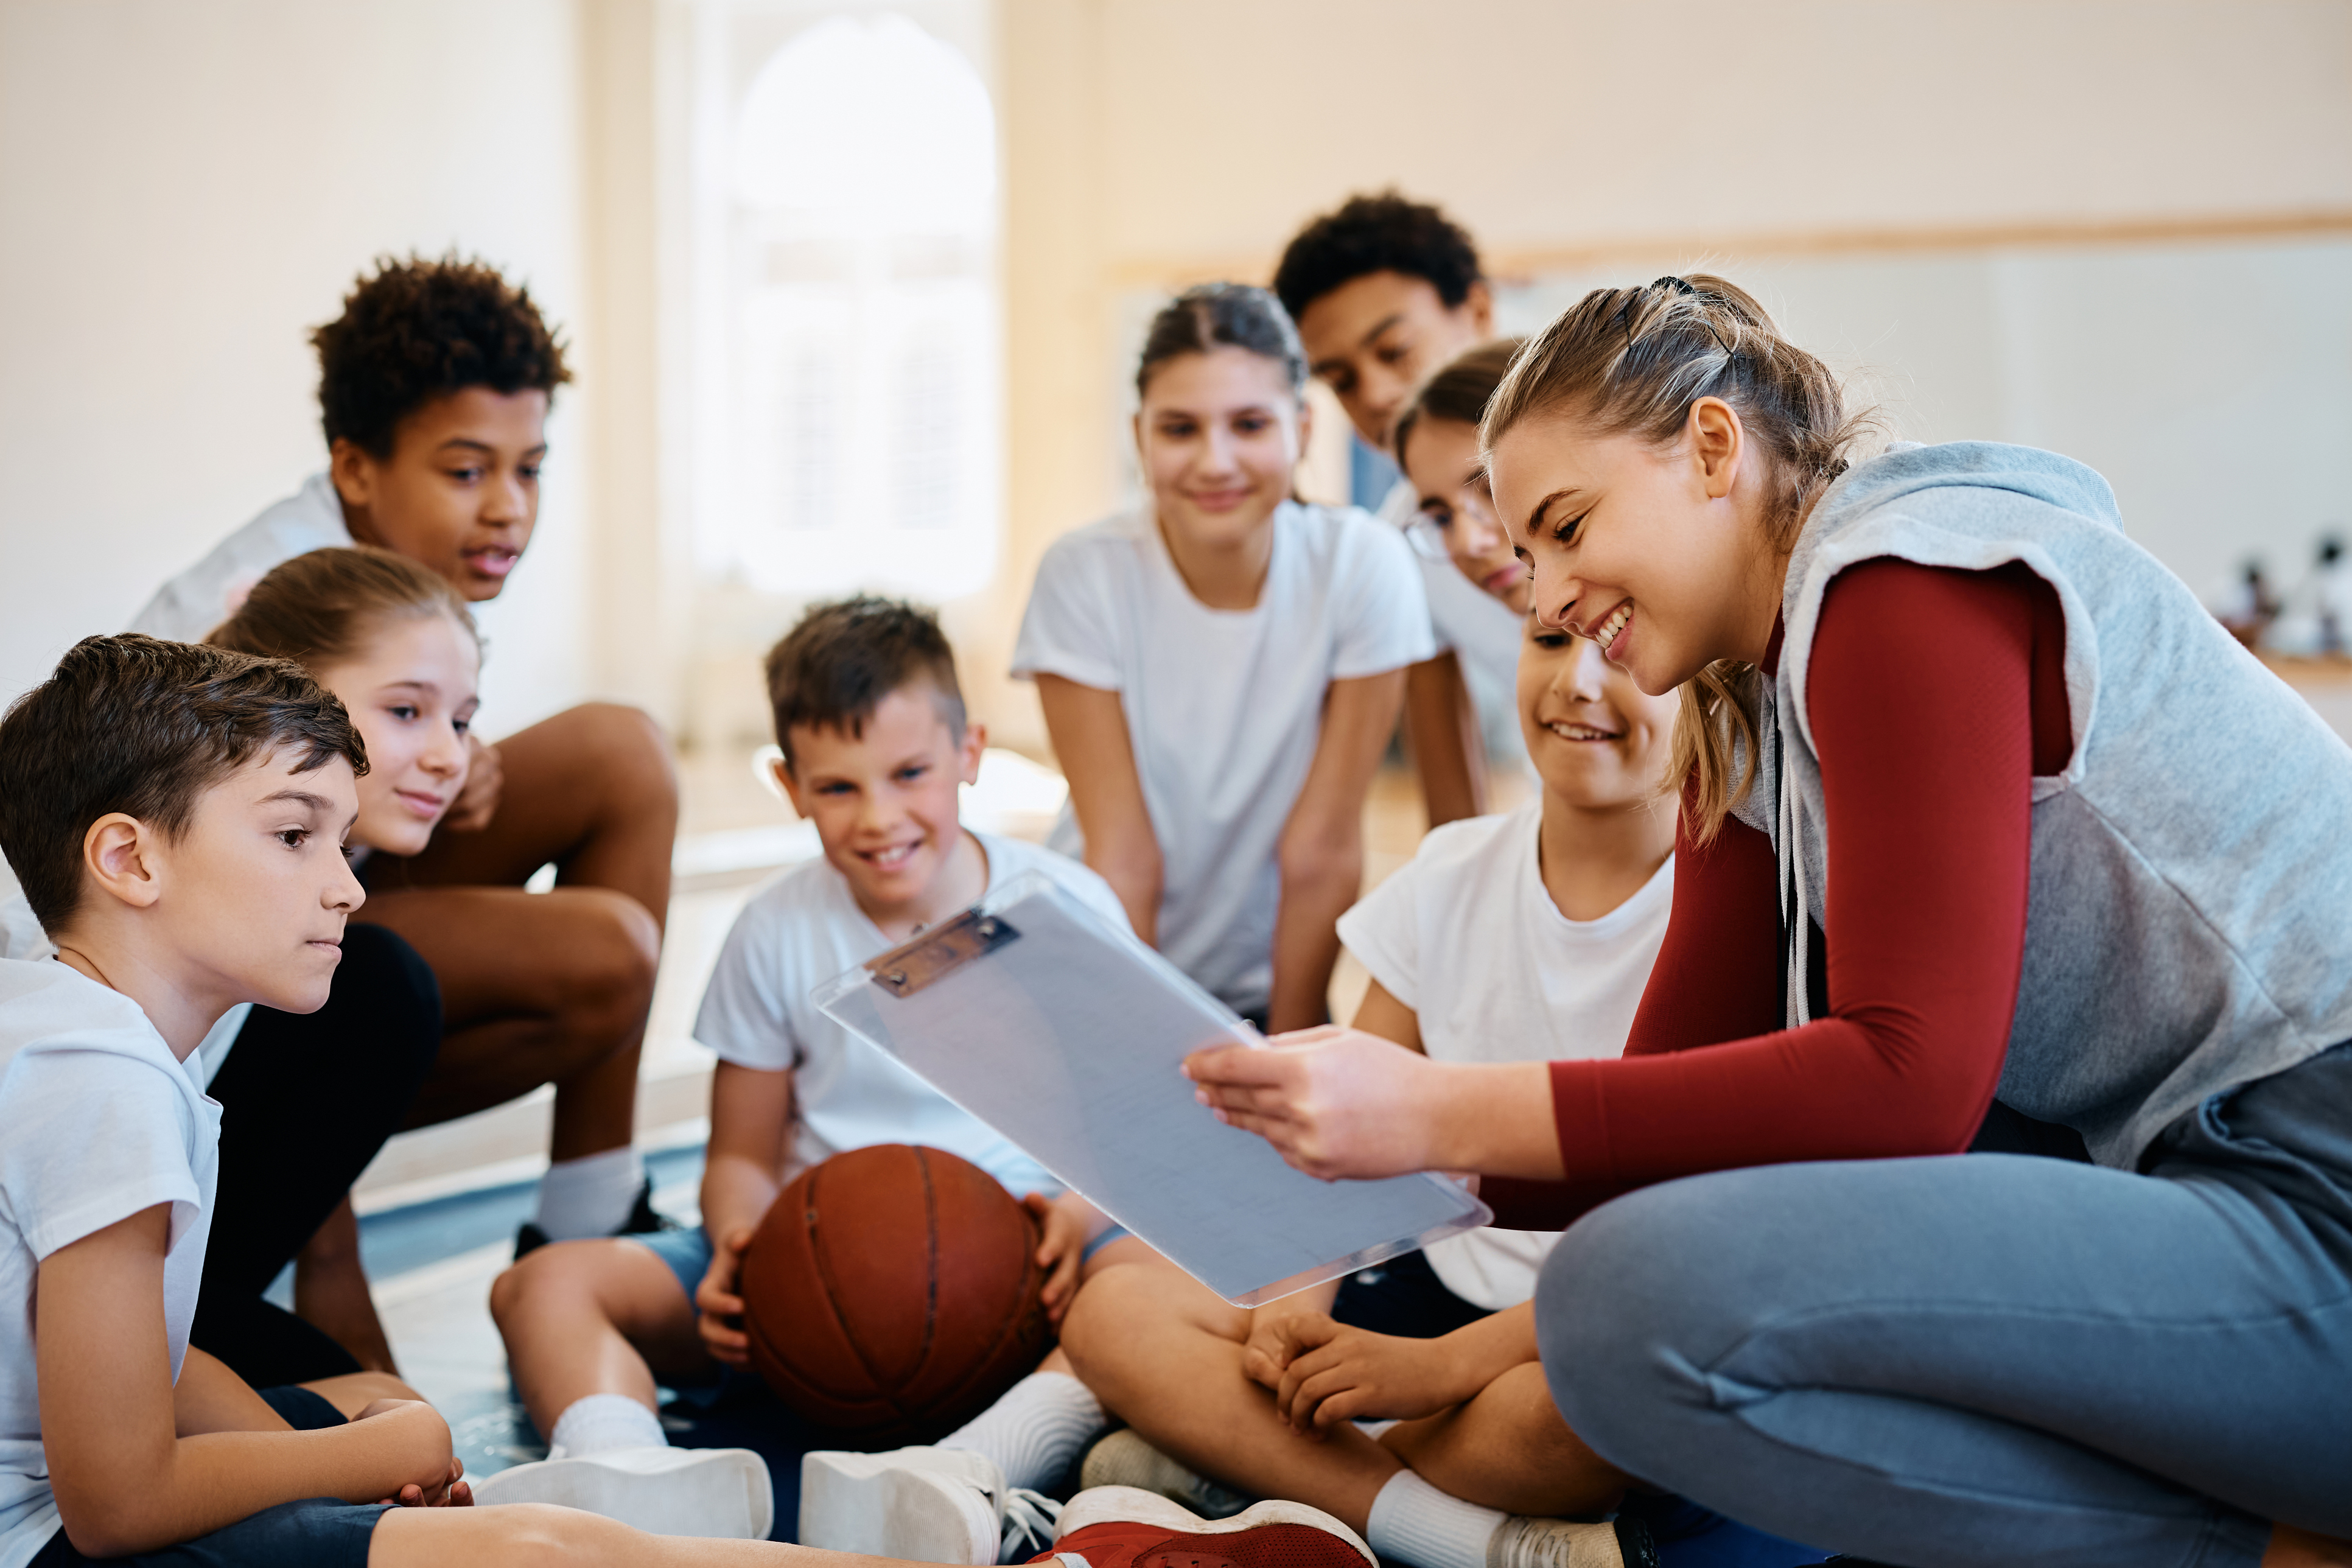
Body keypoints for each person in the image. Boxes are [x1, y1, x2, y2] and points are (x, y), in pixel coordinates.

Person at [1180, 276, 2352, 1568]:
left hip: (2314, 1175)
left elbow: (1910, 1084)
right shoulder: (1749, 717)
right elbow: (1655, 1125)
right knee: (1629, 1287)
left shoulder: (1902, 582)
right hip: (2208, 1192)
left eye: (1569, 528)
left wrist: (1433, 1110)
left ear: (1713, 447)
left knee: (1632, 1305)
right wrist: (1338, 1159)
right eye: (1533, 565)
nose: (1556, 596)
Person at [0, 633, 1381, 1568]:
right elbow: (119, 1502)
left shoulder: (88, 1043)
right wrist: (386, 1449)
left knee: (388, 1428)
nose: (352, 888)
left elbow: (151, 1361)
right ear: (125, 858)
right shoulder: (113, 1086)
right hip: (55, 1540)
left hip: (1026, 1254)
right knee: (543, 1548)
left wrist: (355, 1440)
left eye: (341, 843)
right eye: (300, 840)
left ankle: (958, 1476)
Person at [1063, 615, 1810, 1568]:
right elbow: (1334, 1155)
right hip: (1418, 1278)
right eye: (1549, 640)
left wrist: (1435, 1370)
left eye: (1622, 656)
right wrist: (1301, 1303)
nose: (1579, 682)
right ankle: (1449, 1532)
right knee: (1115, 1305)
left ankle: (1245, 1466)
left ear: (1710, 699)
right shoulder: (1453, 869)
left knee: (1592, 1415)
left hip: (1567, 1338)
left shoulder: (1739, 925)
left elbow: (1686, 1256)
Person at [486, 598, 1157, 1555]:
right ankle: (637, 1480)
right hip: (810, 1289)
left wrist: (1083, 1212)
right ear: (789, 786)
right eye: (838, 788)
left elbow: (1132, 1124)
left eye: (911, 774)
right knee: (544, 1285)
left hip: (1024, 1276)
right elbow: (741, 1155)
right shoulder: (774, 928)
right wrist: (739, 1245)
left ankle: (982, 1467)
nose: (881, 817)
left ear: (970, 751)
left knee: (1160, 1276)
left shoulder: (1061, 907)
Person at [130, 253, 679, 1253]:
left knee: (623, 750)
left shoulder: (413, 570)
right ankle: (283, 1182)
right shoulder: (273, 599)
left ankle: (592, 1210)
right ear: (355, 468)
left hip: (330, 879)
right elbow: (229, 908)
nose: (508, 505)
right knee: (605, 956)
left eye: (529, 467)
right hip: (224, 943)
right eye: (466, 470)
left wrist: (450, 765)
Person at [1013, 284, 1432, 1032]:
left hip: (1265, 976)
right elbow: (1123, 855)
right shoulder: (1084, 574)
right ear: (1140, 436)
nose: (1216, 461)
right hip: (1101, 964)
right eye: (1180, 428)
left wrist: (1290, 1042)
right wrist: (1136, 1051)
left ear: (1302, 429)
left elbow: (1323, 845)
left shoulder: (1363, 566)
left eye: (1249, 424)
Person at [1272, 193, 1519, 827]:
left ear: (1479, 311)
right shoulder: (1404, 547)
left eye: (1394, 350)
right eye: (1342, 379)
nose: (1376, 393)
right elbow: (1453, 808)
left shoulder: (1617, 463)